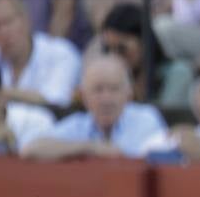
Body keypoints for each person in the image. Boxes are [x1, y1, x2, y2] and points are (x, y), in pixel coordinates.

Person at [22, 56, 169, 159]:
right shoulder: (78, 124)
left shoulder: (145, 118)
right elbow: (30, 150)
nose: (106, 98)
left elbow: (127, 157)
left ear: (129, 94)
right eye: (98, 90)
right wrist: (90, 147)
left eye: (114, 89)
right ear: (84, 96)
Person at [0, 0, 82, 107]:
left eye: (8, 22)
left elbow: (54, 103)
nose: (3, 32)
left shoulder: (61, 52)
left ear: (25, 19)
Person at [91, 3, 194, 106]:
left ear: (145, 42)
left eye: (121, 49)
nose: (114, 57)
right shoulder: (116, 79)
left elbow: (166, 116)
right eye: (108, 49)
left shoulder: (177, 73)